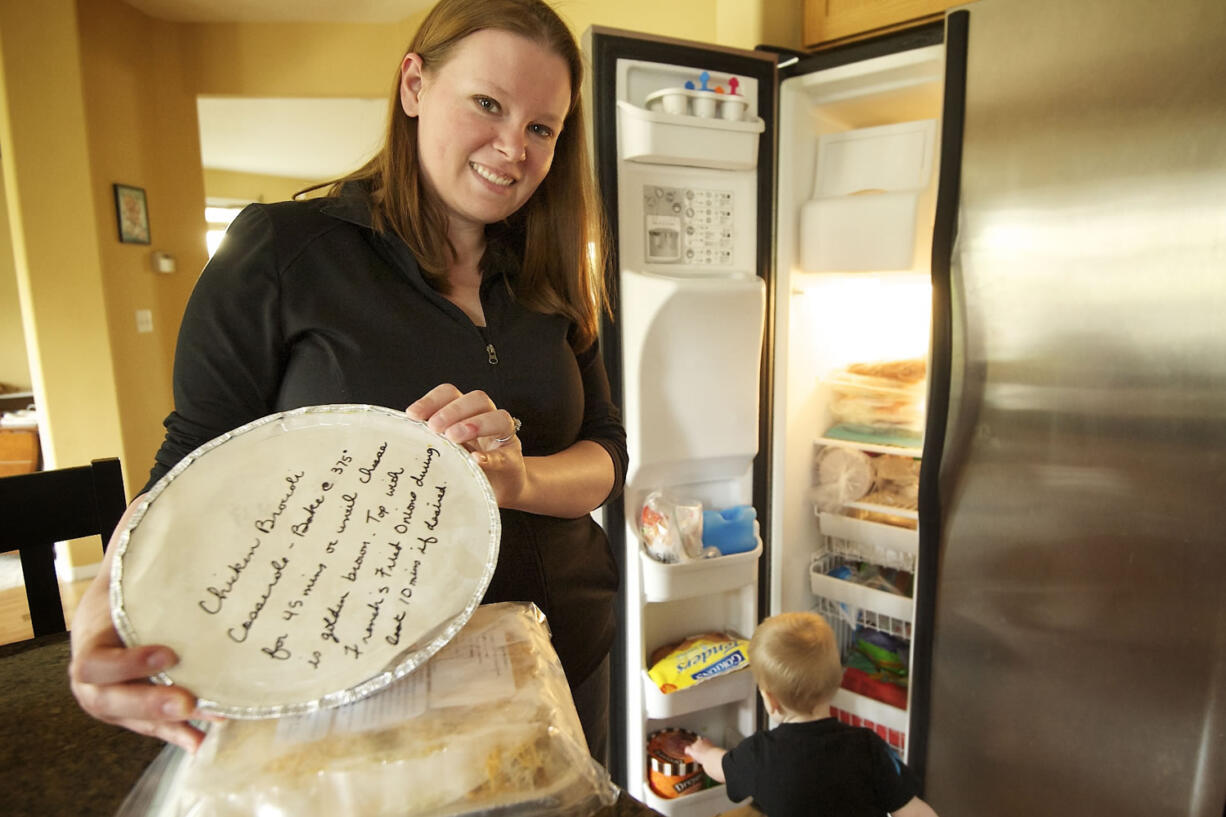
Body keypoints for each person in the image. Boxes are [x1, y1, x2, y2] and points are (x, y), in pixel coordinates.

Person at [68, 0, 625, 766]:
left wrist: (517, 478)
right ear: (414, 86)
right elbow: (190, 464)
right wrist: (105, 606)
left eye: (542, 128)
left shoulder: (555, 274)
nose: (513, 147)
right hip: (366, 687)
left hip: (566, 653)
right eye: (488, 104)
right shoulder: (282, 253)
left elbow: (607, 453)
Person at [684, 612, 940, 817]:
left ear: (771, 701)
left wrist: (704, 752)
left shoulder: (760, 754)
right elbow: (913, 811)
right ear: (835, 682)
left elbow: (722, 768)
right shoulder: (868, 747)